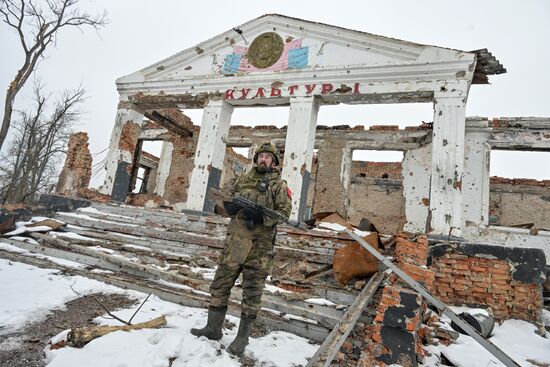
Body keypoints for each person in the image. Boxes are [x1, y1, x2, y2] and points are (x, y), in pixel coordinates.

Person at [190, 142, 292, 356]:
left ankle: (242, 338)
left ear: (273, 162)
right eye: (261, 156)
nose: (264, 159)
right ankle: (213, 328)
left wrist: (262, 216)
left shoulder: (279, 185)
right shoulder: (241, 180)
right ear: (256, 159)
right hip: (234, 244)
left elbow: (283, 214)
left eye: (268, 157)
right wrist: (228, 207)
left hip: (259, 248)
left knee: (252, 293)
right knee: (220, 285)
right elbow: (220, 200)